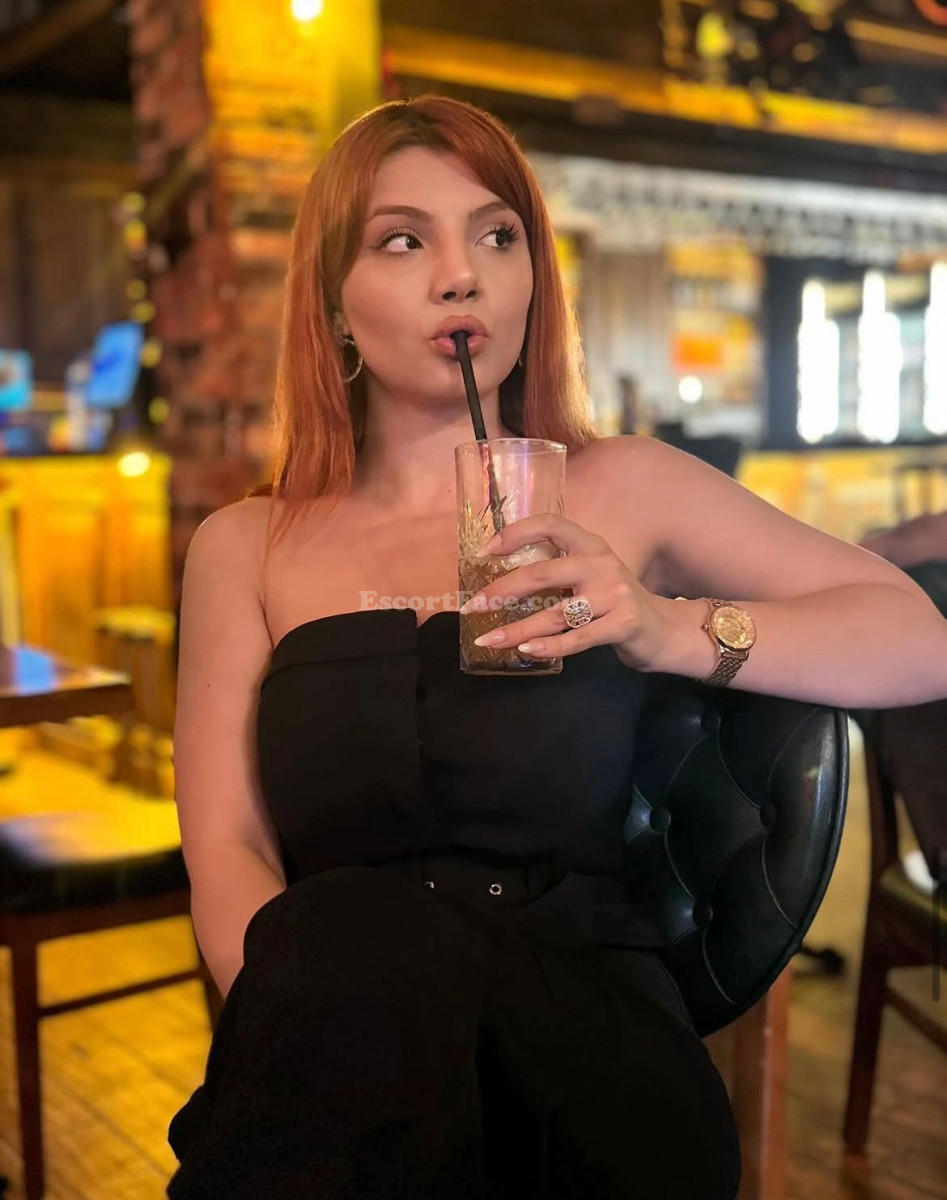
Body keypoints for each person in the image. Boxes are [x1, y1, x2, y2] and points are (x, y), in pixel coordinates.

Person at [166, 95, 947, 1200]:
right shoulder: (244, 545)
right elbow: (227, 847)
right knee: (349, 933)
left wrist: (665, 627)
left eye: (497, 235)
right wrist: (305, 1022)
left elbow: (918, 641)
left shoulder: (624, 485)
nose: (462, 275)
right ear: (332, 301)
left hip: (585, 1030)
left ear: (532, 277)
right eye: (403, 241)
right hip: (343, 1037)